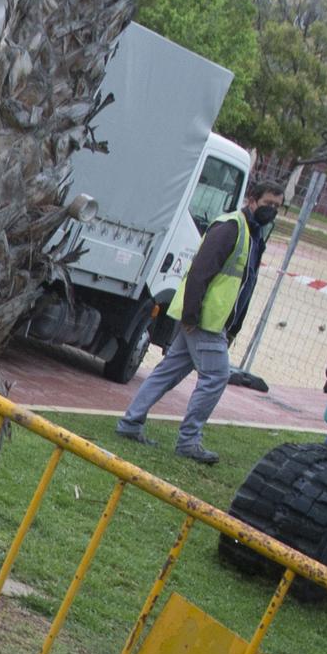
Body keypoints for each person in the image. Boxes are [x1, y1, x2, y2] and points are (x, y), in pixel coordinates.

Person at [116, 180, 284, 464]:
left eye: (278, 207)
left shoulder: (254, 235)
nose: (273, 212)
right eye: (268, 204)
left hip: (210, 320)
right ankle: (188, 441)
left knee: (168, 371)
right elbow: (199, 273)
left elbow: (244, 284)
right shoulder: (231, 228)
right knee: (216, 376)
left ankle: (131, 423)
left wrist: (232, 327)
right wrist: (192, 316)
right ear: (252, 199)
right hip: (204, 320)